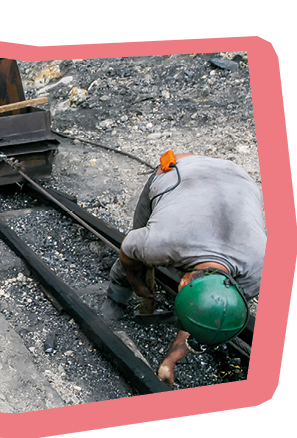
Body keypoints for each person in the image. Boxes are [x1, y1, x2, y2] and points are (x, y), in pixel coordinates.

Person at [101, 152, 265, 387]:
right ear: (183, 284)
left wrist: (170, 360)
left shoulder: (259, 271)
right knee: (138, 254)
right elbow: (128, 250)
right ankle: (115, 298)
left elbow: (210, 313)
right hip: (179, 171)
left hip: (238, 180)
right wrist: (137, 285)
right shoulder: (158, 241)